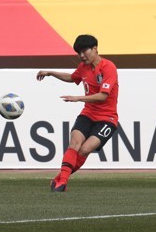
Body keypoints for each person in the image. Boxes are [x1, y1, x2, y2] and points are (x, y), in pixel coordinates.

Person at [36, 34, 119, 192]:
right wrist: (51, 73)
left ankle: (60, 178)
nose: (81, 56)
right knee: (74, 143)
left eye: (84, 51)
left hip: (107, 119)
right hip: (88, 114)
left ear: (95, 49)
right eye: (78, 53)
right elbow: (73, 77)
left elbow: (103, 96)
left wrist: (78, 98)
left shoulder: (108, 67)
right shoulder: (84, 67)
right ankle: (63, 183)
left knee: (84, 150)